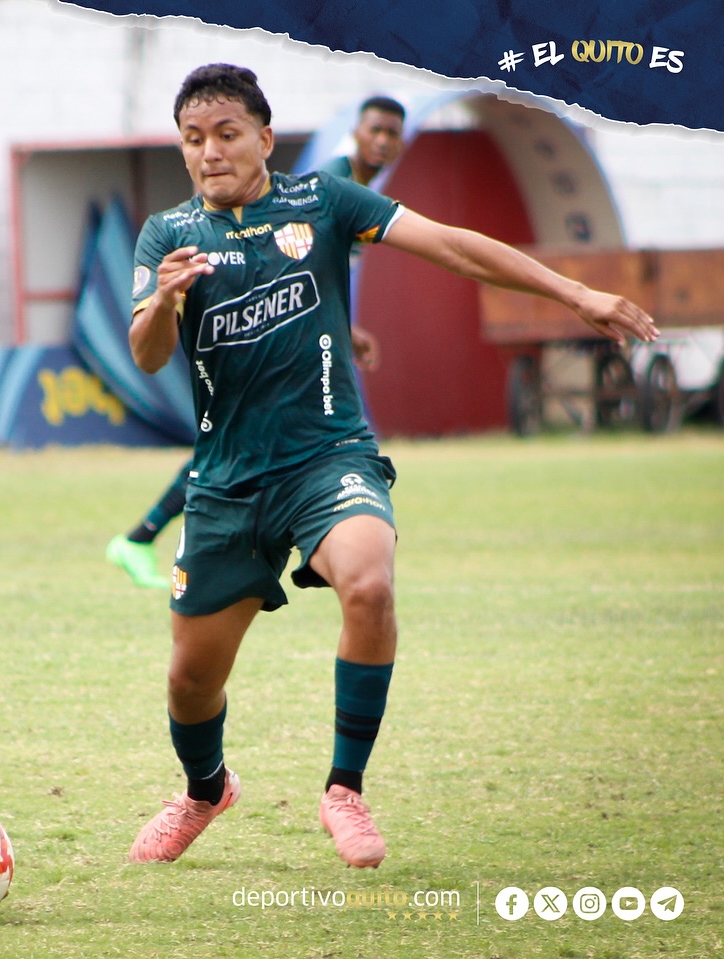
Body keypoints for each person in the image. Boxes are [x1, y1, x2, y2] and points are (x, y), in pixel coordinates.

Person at [124, 63, 657, 869]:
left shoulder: (324, 202)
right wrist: (163, 300)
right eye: (193, 140)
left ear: (265, 138)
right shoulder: (169, 235)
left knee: (368, 581)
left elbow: (451, 245)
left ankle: (344, 788)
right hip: (228, 482)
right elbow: (149, 353)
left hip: (328, 455)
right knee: (190, 683)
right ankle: (205, 789)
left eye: (227, 135)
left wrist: (574, 293)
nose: (209, 153)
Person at [105, 96, 402, 590]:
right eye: (376, 130)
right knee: (229, 446)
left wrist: (342, 331)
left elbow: (309, 284)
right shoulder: (335, 182)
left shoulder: (360, 188)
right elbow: (286, 265)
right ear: (359, 131)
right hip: (241, 351)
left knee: (235, 446)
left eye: (393, 134)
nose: (383, 141)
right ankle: (138, 539)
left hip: (283, 353)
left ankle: (138, 539)